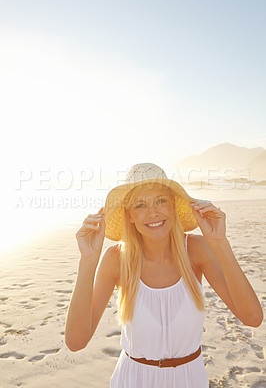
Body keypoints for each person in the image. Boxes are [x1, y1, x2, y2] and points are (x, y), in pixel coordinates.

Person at [65, 163, 263, 387]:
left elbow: (253, 318)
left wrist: (220, 243)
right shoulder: (116, 259)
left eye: (161, 201)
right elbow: (76, 341)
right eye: (140, 205)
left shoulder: (196, 250)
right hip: (133, 380)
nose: (153, 212)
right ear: (129, 215)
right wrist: (88, 261)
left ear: (173, 206)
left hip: (190, 380)